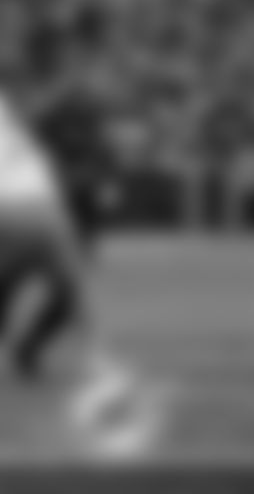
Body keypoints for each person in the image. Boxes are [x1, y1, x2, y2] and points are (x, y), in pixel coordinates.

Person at [0, 90, 162, 460]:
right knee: (35, 290)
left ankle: (29, 351)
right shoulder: (40, 134)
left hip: (49, 217)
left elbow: (100, 181)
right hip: (35, 214)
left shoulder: (76, 141)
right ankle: (87, 367)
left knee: (66, 295)